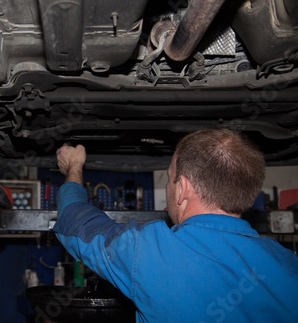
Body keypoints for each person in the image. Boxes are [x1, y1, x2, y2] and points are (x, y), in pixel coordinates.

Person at [53, 128, 298, 322]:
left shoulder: (150, 252)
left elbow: (72, 218)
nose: (170, 185)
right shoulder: (288, 263)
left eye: (170, 178)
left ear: (182, 189)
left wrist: (73, 167)